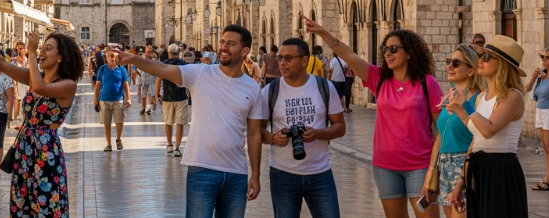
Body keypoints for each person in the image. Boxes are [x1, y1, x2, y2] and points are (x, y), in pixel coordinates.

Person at [116, 25, 266, 218]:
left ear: (245, 51)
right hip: (202, 169)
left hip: (236, 173)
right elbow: (163, 69)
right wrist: (134, 59)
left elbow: (254, 134)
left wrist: (255, 175)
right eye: (222, 42)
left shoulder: (252, 89)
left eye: (231, 43)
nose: (223, 47)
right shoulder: (201, 74)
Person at [303, 15, 443, 218]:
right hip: (385, 166)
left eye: (394, 49)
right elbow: (348, 54)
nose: (388, 53)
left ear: (410, 53)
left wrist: (433, 167)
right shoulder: (378, 78)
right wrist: (321, 31)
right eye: (385, 49)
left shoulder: (426, 83)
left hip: (420, 166)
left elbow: (443, 127)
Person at [0, 29, 81, 217]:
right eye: (42, 48)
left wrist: (31, 53)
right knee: (22, 203)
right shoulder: (33, 77)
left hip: (45, 152)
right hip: (24, 149)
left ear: (60, 57)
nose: (42, 52)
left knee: (46, 204)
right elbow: (1, 62)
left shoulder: (68, 84)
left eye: (48, 49)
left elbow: (41, 88)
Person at [261, 38, 345, 218]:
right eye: (281, 58)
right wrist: (274, 138)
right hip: (283, 173)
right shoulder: (270, 91)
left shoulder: (325, 87)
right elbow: (256, 132)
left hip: (320, 173)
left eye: (288, 58)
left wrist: (317, 133)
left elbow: (340, 127)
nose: (282, 63)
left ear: (304, 60)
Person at [447, 35, 528, 217]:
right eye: (481, 56)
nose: (480, 60)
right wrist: (461, 181)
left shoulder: (512, 96)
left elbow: (489, 129)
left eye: (487, 57)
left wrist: (465, 105)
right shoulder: (482, 97)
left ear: (502, 64)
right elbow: (476, 139)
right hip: (478, 167)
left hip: (500, 169)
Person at [421, 45, 483, 218]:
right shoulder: (449, 97)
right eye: (449, 61)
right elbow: (440, 137)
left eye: (455, 63)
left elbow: (477, 137)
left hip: (463, 163)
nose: (449, 66)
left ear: (471, 70)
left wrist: (464, 175)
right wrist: (430, 174)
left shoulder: (477, 99)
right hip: (444, 165)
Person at [156, 44, 189, 157]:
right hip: (181, 96)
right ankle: (178, 148)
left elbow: (158, 80)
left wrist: (157, 94)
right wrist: (189, 92)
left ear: (169, 53)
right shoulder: (184, 65)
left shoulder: (164, 64)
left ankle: (169, 144)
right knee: (179, 123)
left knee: (168, 122)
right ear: (179, 52)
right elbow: (189, 80)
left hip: (167, 97)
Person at [93, 51, 132, 150]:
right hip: (104, 99)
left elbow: (125, 84)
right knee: (107, 123)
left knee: (119, 121)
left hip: (118, 99)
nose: (112, 59)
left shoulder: (121, 69)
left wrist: (128, 98)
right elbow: (98, 85)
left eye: (114, 57)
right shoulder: (102, 69)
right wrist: (95, 99)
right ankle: (109, 144)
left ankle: (118, 139)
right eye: (110, 57)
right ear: (106, 58)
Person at [527, 47, 549, 191]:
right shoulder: (541, 77)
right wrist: (533, 77)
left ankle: (548, 180)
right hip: (540, 111)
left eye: (547, 57)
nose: (544, 59)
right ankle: (548, 178)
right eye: (543, 56)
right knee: (546, 148)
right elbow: (527, 89)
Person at [138, 51, 158, 115]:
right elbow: (139, 67)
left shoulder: (154, 61)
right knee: (143, 94)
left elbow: (156, 68)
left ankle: (148, 108)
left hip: (152, 79)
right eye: (147, 52)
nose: (148, 54)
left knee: (151, 94)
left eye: (150, 52)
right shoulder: (142, 59)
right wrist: (141, 76)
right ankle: (143, 108)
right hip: (144, 78)